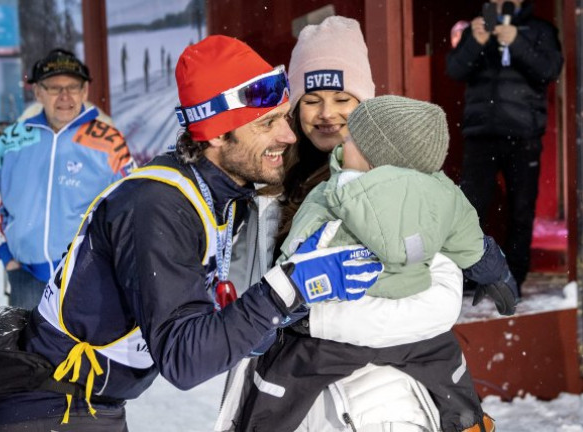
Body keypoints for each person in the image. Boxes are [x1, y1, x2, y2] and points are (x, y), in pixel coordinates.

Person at [0, 35, 381, 432]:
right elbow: (185, 361)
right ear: (218, 135)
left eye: (285, 118)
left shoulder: (219, 194)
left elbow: (211, 323)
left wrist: (291, 303)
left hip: (86, 403)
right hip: (54, 408)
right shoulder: (158, 205)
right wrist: (290, 286)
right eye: (268, 123)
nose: (289, 136)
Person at [218, 16, 483, 432]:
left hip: (376, 399)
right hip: (282, 390)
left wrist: (307, 318)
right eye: (312, 99)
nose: (327, 114)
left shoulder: (407, 180)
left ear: (366, 104)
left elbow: (435, 304)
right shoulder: (265, 183)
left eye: (343, 98)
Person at [234, 95, 521, 432]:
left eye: (353, 138)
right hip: (417, 336)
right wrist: (496, 272)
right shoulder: (445, 196)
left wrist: (280, 313)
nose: (344, 139)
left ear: (374, 156)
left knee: (282, 375)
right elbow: (472, 245)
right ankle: (469, 421)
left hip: (332, 337)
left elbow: (302, 253)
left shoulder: (333, 196)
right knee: (448, 362)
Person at [0, 48, 136, 310]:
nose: (65, 97)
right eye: (54, 88)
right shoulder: (13, 139)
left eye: (72, 87)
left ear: (84, 92)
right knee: (29, 352)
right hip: (26, 277)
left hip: (90, 278)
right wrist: (6, 256)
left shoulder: (109, 141)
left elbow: (133, 208)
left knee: (84, 351)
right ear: (38, 92)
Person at [446, 0, 563, 293]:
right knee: (470, 210)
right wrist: (477, 42)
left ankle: (513, 279)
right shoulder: (477, 27)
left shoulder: (539, 30)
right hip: (481, 133)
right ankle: (472, 276)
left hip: (523, 134)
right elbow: (455, 70)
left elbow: (549, 69)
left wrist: (517, 41)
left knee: (521, 211)